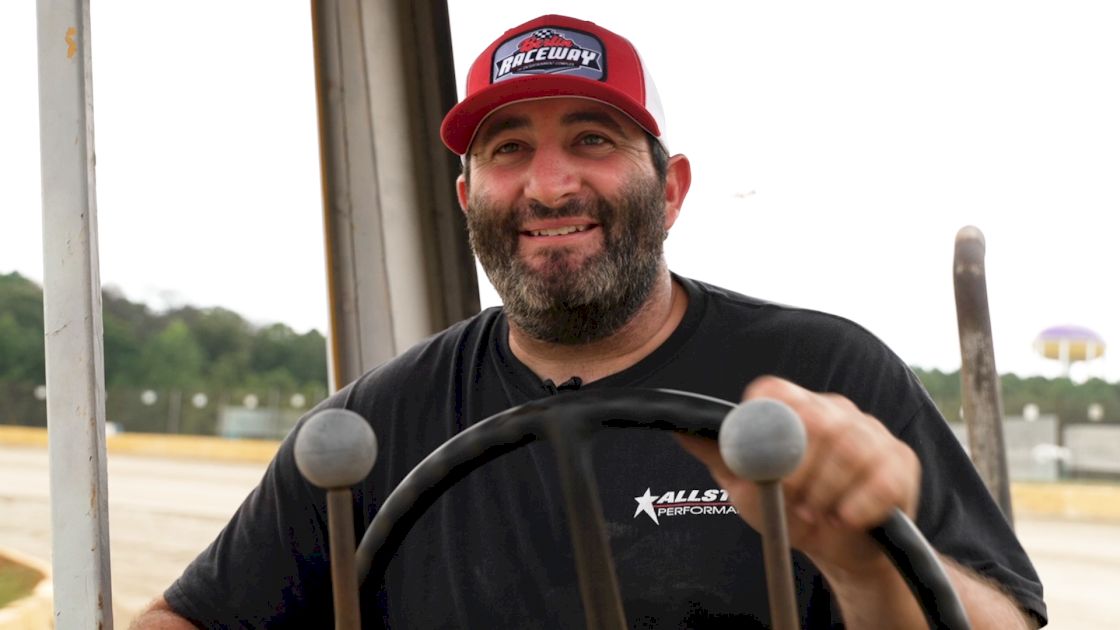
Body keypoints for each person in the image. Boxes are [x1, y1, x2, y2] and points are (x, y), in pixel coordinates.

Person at [134, 14, 1046, 629]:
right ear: (467, 197)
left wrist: (867, 559)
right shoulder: (374, 425)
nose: (550, 183)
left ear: (673, 188)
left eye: (592, 140)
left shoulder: (821, 373)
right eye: (509, 150)